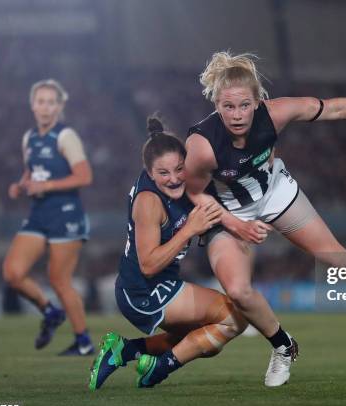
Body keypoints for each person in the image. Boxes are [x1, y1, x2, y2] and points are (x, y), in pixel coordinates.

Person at [184, 52, 346, 387]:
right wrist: (236, 225)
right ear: (216, 104)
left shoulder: (278, 112)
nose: (236, 115)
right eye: (227, 106)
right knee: (238, 291)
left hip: (274, 192)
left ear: (258, 102)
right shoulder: (201, 145)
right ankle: (284, 347)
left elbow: (335, 107)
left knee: (335, 256)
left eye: (244, 105)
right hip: (228, 211)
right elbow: (195, 193)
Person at [89, 116, 248, 390]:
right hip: (142, 290)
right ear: (149, 174)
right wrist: (190, 229)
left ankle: (124, 350)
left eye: (179, 169)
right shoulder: (148, 202)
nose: (174, 179)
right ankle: (158, 369)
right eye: (164, 174)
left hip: (160, 283)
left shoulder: (190, 182)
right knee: (233, 319)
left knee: (205, 342)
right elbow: (148, 265)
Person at [2, 79, 94, 356]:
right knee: (13, 273)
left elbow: (85, 176)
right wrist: (21, 185)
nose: (45, 107)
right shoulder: (29, 138)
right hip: (39, 213)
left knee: (59, 280)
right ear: (32, 105)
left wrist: (47, 186)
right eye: (40, 101)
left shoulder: (66, 136)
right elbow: (34, 172)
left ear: (59, 106)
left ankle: (84, 342)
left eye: (51, 102)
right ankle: (50, 311)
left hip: (66, 215)